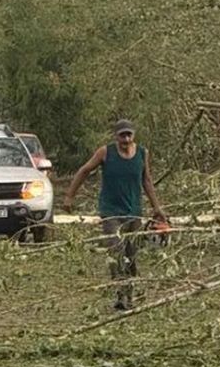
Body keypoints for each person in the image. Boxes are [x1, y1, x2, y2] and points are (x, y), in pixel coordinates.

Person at [63, 119, 166, 311]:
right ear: (115, 136)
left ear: (133, 135)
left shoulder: (142, 153)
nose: (126, 139)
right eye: (122, 135)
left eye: (129, 135)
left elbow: (147, 180)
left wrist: (157, 208)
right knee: (116, 252)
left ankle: (130, 294)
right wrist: (69, 196)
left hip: (134, 212)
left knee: (131, 255)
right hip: (111, 212)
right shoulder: (106, 152)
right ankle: (119, 294)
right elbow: (84, 171)